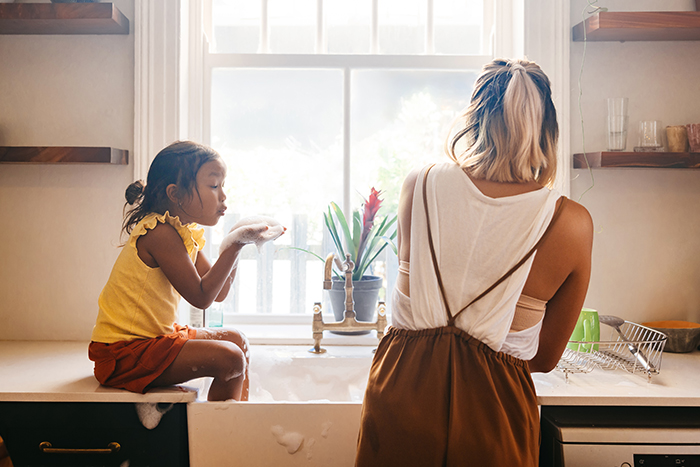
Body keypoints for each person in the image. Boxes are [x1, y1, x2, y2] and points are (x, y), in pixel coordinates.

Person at [355, 59, 593, 465]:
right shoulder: (569, 222)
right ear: (548, 130)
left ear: (473, 118)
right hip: (494, 411)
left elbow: (416, 284)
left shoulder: (420, 183)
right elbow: (545, 359)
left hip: (400, 400)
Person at [89, 141, 284, 401]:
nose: (223, 196)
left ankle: (239, 421)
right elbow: (201, 298)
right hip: (123, 353)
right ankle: (222, 437)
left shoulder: (182, 231)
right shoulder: (159, 233)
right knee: (231, 359)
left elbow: (220, 293)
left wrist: (237, 238)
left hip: (152, 340)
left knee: (237, 340)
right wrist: (235, 244)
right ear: (176, 193)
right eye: (214, 186)